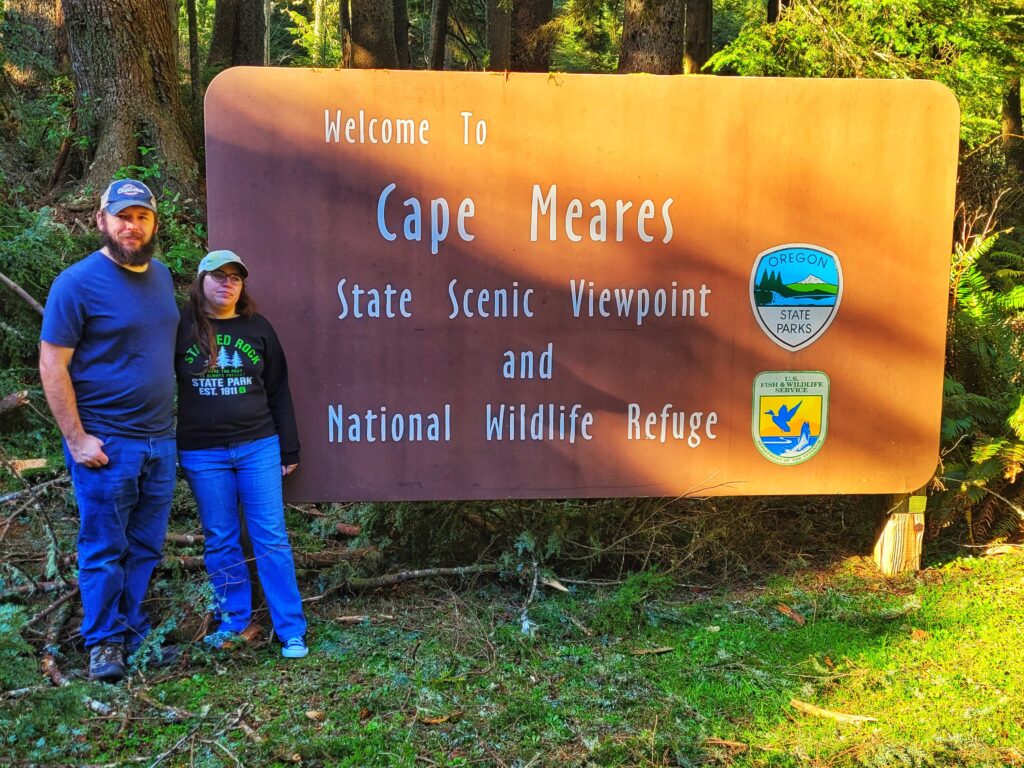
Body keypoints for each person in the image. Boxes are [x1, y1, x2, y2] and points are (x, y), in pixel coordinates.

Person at [39, 179, 179, 682]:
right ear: (101, 220)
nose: (131, 225)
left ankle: (135, 633)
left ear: (153, 223)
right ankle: (103, 644)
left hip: (159, 441)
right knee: (103, 546)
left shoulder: (162, 278)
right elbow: (52, 365)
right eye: (122, 216)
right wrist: (77, 439)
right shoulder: (75, 284)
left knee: (145, 546)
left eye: (141, 216)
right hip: (106, 443)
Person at [175, 250, 309, 659]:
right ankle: (234, 620)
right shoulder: (180, 328)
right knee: (220, 538)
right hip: (202, 451)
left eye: (235, 277)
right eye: (218, 276)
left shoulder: (258, 328)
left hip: (258, 445)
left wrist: (289, 446)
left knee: (271, 536)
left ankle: (291, 629)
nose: (227, 283)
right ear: (201, 281)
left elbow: (278, 389)